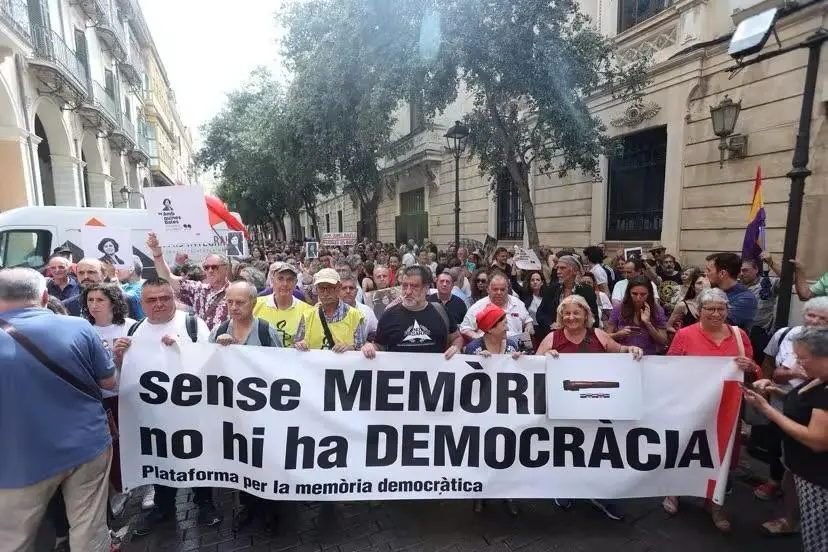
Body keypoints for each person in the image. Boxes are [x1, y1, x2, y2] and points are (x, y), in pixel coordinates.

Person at [0, 268, 115, 552]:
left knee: (13, 539)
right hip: (85, 446)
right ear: (43, 296)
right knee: (89, 528)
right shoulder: (78, 326)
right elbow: (108, 380)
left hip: (16, 460)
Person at [113, 278, 216, 537]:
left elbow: (212, 363)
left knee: (197, 460)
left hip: (191, 413)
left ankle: (205, 503)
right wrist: (117, 358)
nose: (159, 304)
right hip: (152, 415)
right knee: (160, 461)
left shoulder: (192, 324)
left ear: (173, 298)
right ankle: (164, 507)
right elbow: (123, 376)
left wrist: (184, 347)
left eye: (165, 298)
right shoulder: (135, 330)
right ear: (141, 303)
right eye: (151, 299)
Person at [536, 294, 643, 521]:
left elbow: (620, 349)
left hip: (598, 407)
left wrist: (631, 350)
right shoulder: (552, 338)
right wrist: (545, 357)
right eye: (567, 313)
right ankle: (566, 490)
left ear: (586, 315)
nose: (571, 317)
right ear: (560, 316)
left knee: (600, 452)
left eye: (577, 312)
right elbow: (533, 367)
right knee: (566, 451)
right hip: (563, 409)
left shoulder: (598, 335)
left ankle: (604, 497)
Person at [664, 288, 762, 532]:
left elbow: (753, 372)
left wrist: (751, 366)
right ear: (699, 310)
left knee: (721, 455)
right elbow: (668, 368)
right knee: (684, 448)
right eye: (710, 309)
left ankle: (714, 502)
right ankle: (673, 492)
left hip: (727, 409)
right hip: (691, 406)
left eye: (721, 309)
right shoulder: (685, 335)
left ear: (728, 310)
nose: (716, 314)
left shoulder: (739, 336)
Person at [743, 327, 828, 552]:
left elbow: (816, 440)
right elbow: (803, 404)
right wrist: (774, 390)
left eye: (803, 358)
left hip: (819, 478)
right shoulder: (818, 378)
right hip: (806, 471)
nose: (798, 364)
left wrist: (768, 410)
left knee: (818, 538)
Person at [209, 281, 282, 531]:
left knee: (266, 460)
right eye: (229, 302)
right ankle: (247, 507)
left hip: (263, 413)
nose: (234, 307)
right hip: (232, 413)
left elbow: (282, 369)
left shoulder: (265, 330)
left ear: (253, 303)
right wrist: (218, 349)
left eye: (240, 302)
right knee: (240, 462)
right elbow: (205, 369)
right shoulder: (218, 330)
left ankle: (271, 509)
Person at [463, 302, 521, 516]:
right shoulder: (473, 348)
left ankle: (508, 493)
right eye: (503, 322)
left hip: (507, 409)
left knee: (507, 452)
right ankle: (480, 493)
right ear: (491, 327)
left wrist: (520, 362)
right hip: (483, 411)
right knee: (483, 452)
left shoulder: (513, 346)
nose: (507, 326)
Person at [83, 282, 136, 511]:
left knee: (136, 441)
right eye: (90, 300)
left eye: (100, 300)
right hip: (101, 399)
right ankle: (122, 487)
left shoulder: (131, 327)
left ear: (113, 303)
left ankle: (147, 485)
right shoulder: (84, 330)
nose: (94, 305)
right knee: (112, 445)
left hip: (131, 395)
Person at [362, 265, 463, 358]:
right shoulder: (389, 315)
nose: (408, 292)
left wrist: (456, 347)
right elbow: (379, 346)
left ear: (426, 288)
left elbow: (456, 337)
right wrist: (369, 347)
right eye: (405, 286)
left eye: (414, 286)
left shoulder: (441, 311)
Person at [147, 232, 229, 330]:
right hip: (201, 342)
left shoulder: (235, 291)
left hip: (226, 343)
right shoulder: (198, 289)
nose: (210, 270)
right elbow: (167, 278)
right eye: (206, 267)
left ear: (226, 269)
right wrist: (157, 253)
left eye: (214, 267)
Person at [294, 269, 366, 352]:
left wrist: (349, 348)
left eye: (331, 288)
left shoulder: (355, 315)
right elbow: (297, 344)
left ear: (339, 287)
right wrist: (300, 345)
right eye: (321, 288)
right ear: (316, 290)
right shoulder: (307, 315)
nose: (326, 293)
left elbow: (360, 349)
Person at [536, 255, 600, 342]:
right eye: (557, 268)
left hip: (580, 337)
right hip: (556, 336)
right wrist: (551, 324)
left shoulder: (586, 291)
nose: (558, 271)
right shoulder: (552, 289)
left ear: (574, 270)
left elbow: (593, 319)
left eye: (563, 268)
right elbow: (541, 314)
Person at [606, 275, 668, 356]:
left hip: (649, 356)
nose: (638, 298)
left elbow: (663, 341)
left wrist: (648, 324)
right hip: (624, 356)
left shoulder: (657, 310)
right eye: (634, 294)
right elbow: (606, 337)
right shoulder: (618, 309)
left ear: (649, 294)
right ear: (629, 293)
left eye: (643, 294)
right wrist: (619, 334)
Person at [460, 272, 533, 341]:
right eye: (495, 289)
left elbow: (528, 321)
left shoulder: (517, 303)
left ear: (507, 289)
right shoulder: (478, 307)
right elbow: (465, 329)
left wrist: (529, 327)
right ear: (488, 289)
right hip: (489, 349)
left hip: (516, 348)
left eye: (502, 289)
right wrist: (480, 339)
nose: (499, 293)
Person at [62, 258, 141, 319]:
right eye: (81, 273)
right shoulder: (67, 305)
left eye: (91, 272)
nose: (86, 277)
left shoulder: (127, 300)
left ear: (104, 274)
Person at [740, 254, 781, 363]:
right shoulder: (734, 286)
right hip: (739, 335)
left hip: (760, 336)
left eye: (745, 270)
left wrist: (771, 263)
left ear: (756, 269)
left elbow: (790, 280)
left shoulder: (767, 283)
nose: (741, 274)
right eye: (739, 271)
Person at [705, 252, 757, 331]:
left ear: (722, 273)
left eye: (708, 270)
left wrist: (704, 292)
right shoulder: (713, 290)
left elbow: (714, 325)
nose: (705, 274)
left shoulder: (746, 298)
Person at [666, 269, 709, 333]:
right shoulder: (683, 305)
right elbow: (668, 327)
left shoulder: (714, 304)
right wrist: (683, 335)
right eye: (699, 283)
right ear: (693, 287)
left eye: (707, 282)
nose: (704, 286)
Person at [340, 273, 378, 340]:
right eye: (344, 288)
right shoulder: (331, 310)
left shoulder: (366, 311)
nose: (348, 291)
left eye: (351, 288)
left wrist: (369, 343)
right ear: (338, 291)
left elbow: (375, 331)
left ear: (357, 291)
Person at [118, 254, 146, 319]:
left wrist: (113, 279)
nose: (116, 271)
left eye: (119, 268)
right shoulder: (124, 286)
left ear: (131, 269)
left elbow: (126, 299)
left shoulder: (144, 286)